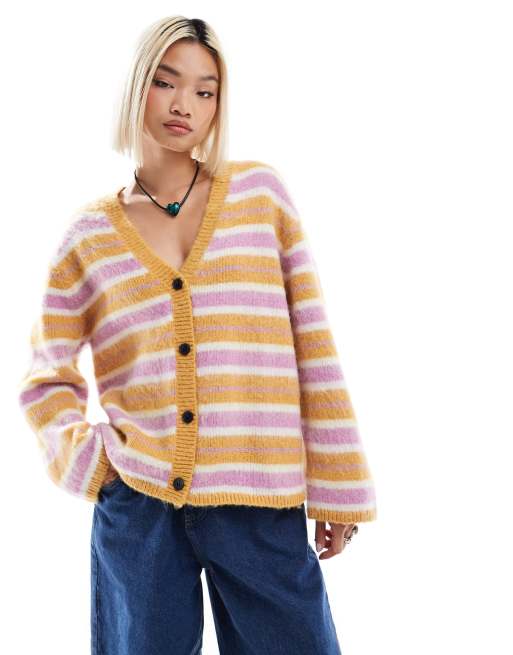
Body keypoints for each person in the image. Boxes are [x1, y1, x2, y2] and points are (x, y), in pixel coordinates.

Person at [18, 15, 377, 655]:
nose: (183, 104)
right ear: (138, 86)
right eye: (166, 82)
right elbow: (46, 378)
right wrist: (94, 465)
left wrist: (338, 483)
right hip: (141, 509)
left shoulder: (260, 197)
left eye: (205, 90)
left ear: (218, 105)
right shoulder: (88, 238)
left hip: (260, 499)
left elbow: (312, 344)